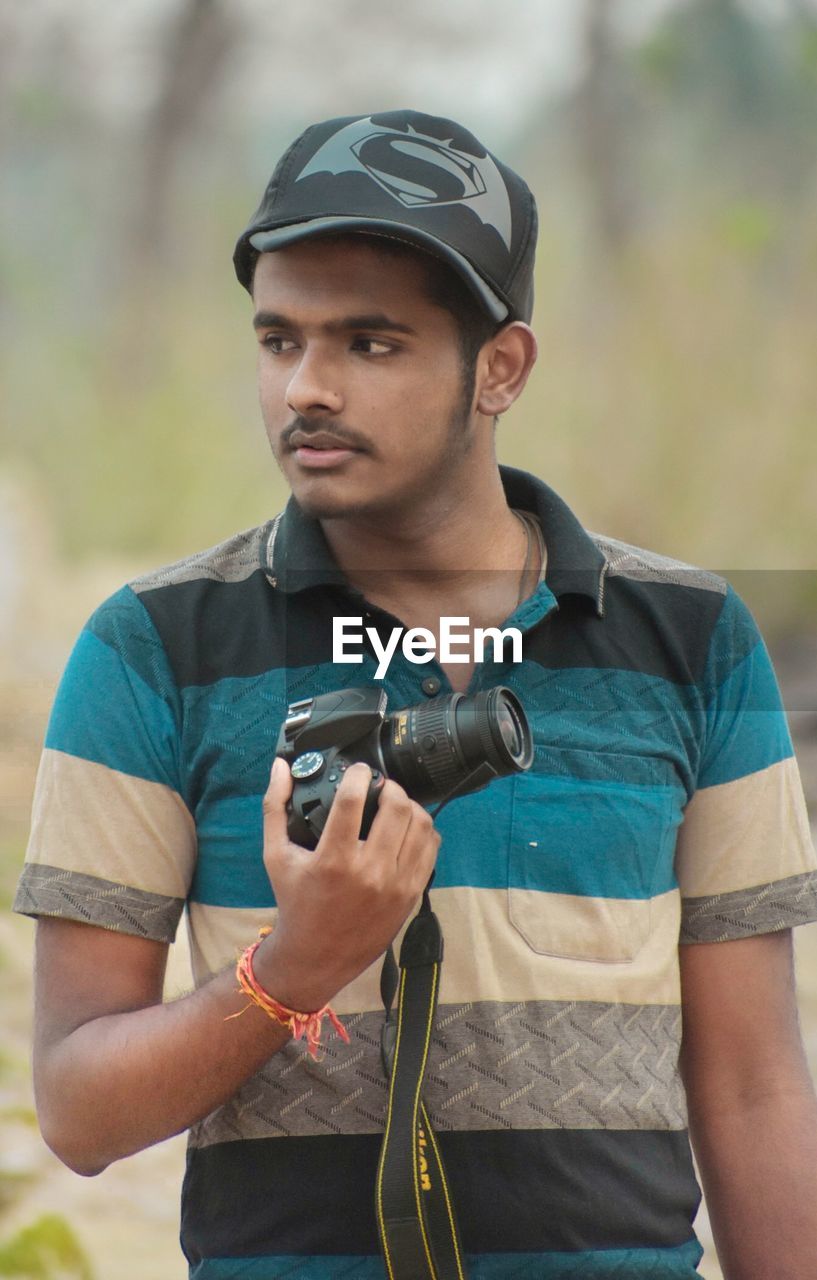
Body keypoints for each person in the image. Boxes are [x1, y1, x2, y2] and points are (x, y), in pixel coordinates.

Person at [14, 109, 817, 1279]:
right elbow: (81, 1112)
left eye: (370, 344)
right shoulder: (152, 648)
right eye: (279, 340)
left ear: (502, 366)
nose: (307, 390)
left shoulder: (693, 640)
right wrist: (294, 963)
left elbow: (751, 1083)